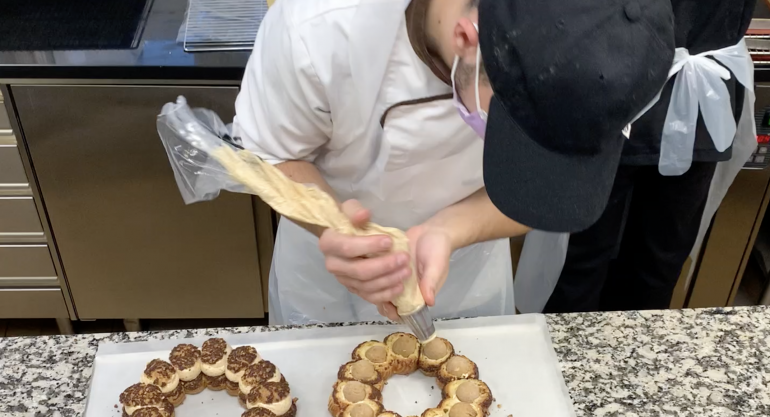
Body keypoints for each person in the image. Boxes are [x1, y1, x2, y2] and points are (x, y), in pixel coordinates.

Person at [233, 0, 675, 325]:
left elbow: (543, 193)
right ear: (467, 39)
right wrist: (337, 230)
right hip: (326, 278)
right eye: (517, 135)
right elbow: (272, 155)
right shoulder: (318, 26)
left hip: (468, 272)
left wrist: (448, 230)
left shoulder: (603, 37)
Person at [542, 0, 756, 313]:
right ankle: (600, 355)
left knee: (598, 262)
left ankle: (596, 356)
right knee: (636, 263)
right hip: (633, 86)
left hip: (679, 90)